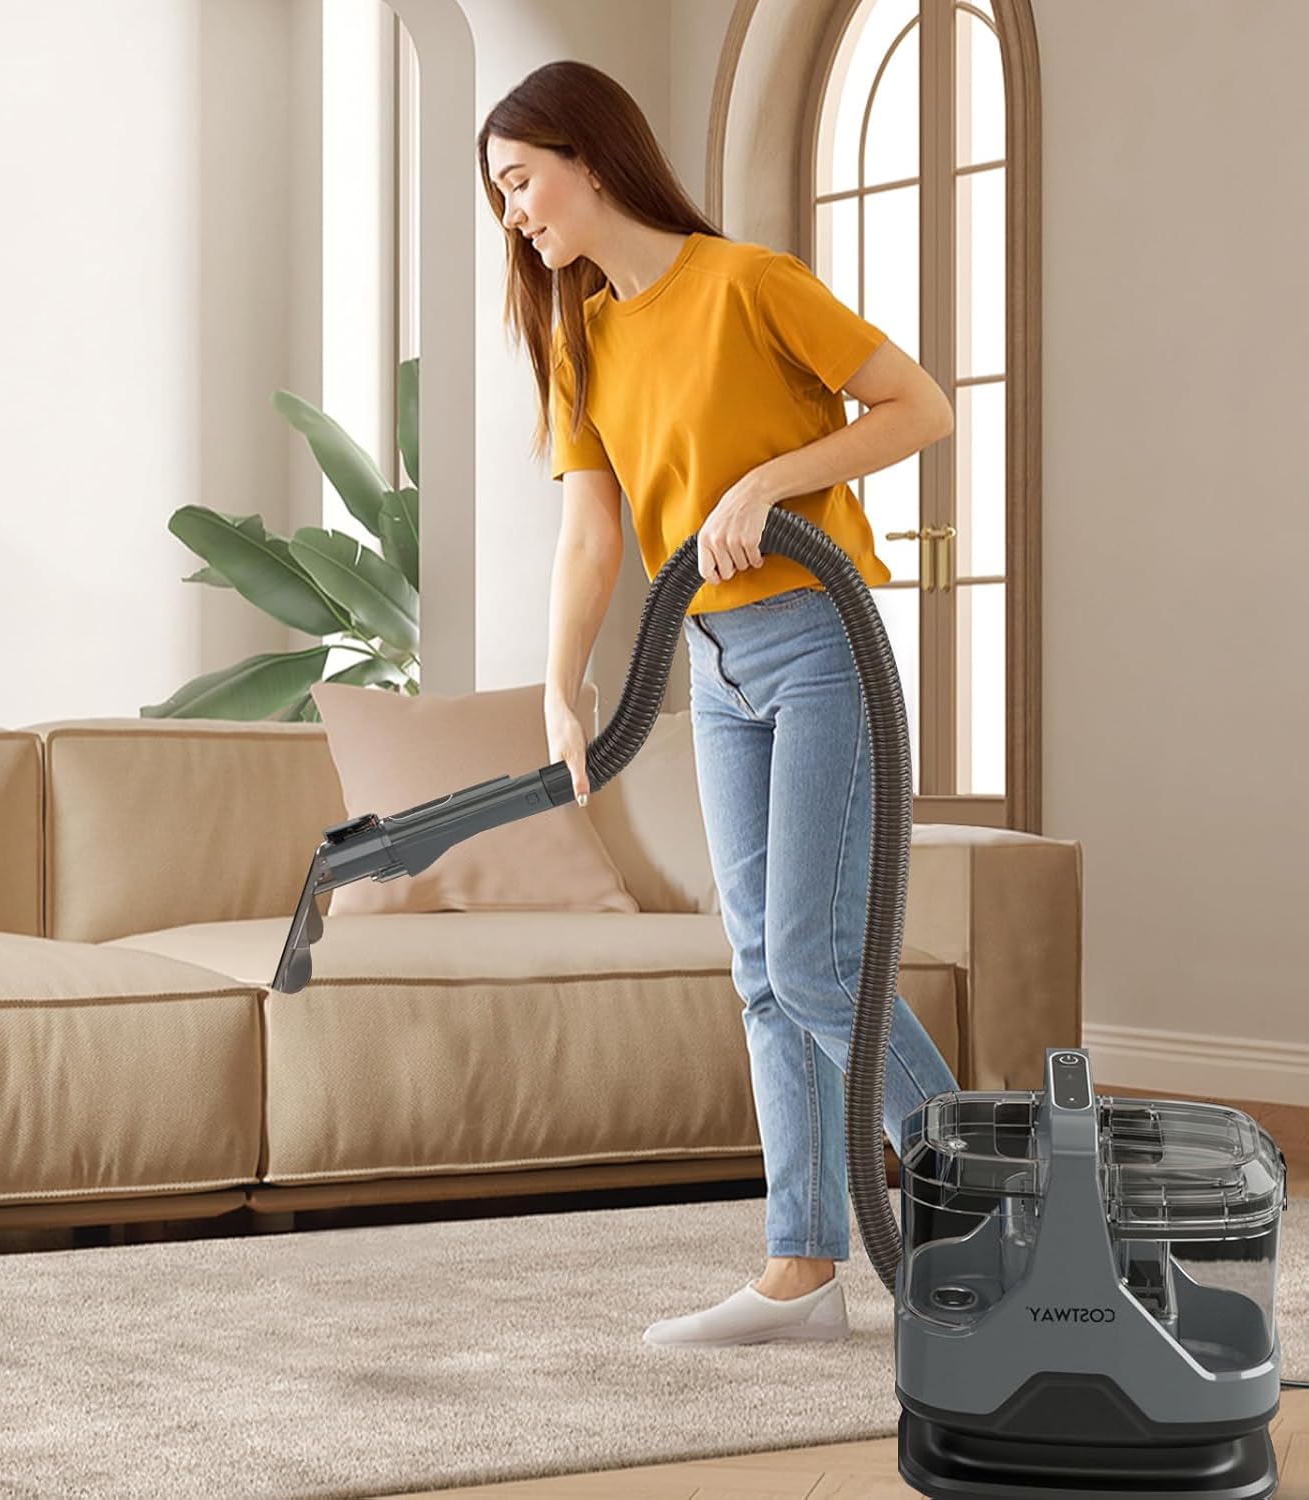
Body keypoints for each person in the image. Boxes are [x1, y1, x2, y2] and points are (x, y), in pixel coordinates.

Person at [479, 60, 960, 1349]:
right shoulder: (583, 339)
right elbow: (590, 536)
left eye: (521, 181)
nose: (515, 213)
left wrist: (771, 482)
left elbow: (919, 405)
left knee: (810, 956)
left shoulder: (748, 283)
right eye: (499, 198)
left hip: (818, 638)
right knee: (759, 970)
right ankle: (803, 1271)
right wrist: (562, 685)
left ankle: (991, 1180)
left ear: (588, 156)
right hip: (714, 663)